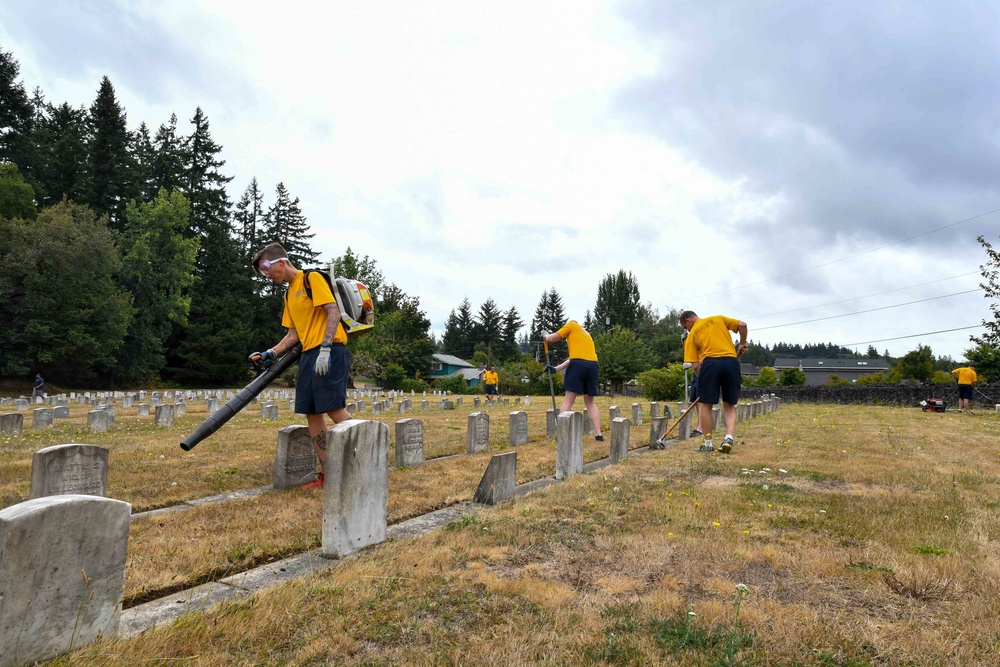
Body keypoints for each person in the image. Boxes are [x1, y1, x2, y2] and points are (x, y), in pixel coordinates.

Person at [251, 243, 352, 489]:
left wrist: (326, 347)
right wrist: (270, 353)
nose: (267, 276)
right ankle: (328, 474)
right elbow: (292, 336)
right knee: (312, 413)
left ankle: (366, 458)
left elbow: (333, 312)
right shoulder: (288, 295)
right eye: (262, 273)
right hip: (308, 354)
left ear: (281, 262)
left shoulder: (312, 279)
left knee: (334, 409)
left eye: (266, 269)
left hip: (330, 351)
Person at [680, 310, 748, 454]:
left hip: (710, 364)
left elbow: (695, 365)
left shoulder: (692, 334)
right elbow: (742, 325)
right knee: (729, 404)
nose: (688, 330)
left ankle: (708, 443)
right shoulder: (718, 319)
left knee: (705, 405)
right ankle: (728, 438)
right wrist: (742, 344)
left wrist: (702, 379)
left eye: (686, 327)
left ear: (687, 321)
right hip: (731, 361)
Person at [544, 320, 603, 441]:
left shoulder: (571, 325)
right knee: (590, 402)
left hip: (578, 365)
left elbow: (552, 338)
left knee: (569, 399)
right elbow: (573, 358)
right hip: (593, 366)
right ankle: (598, 434)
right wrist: (556, 369)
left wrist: (545, 335)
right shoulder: (586, 334)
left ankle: (562, 432)